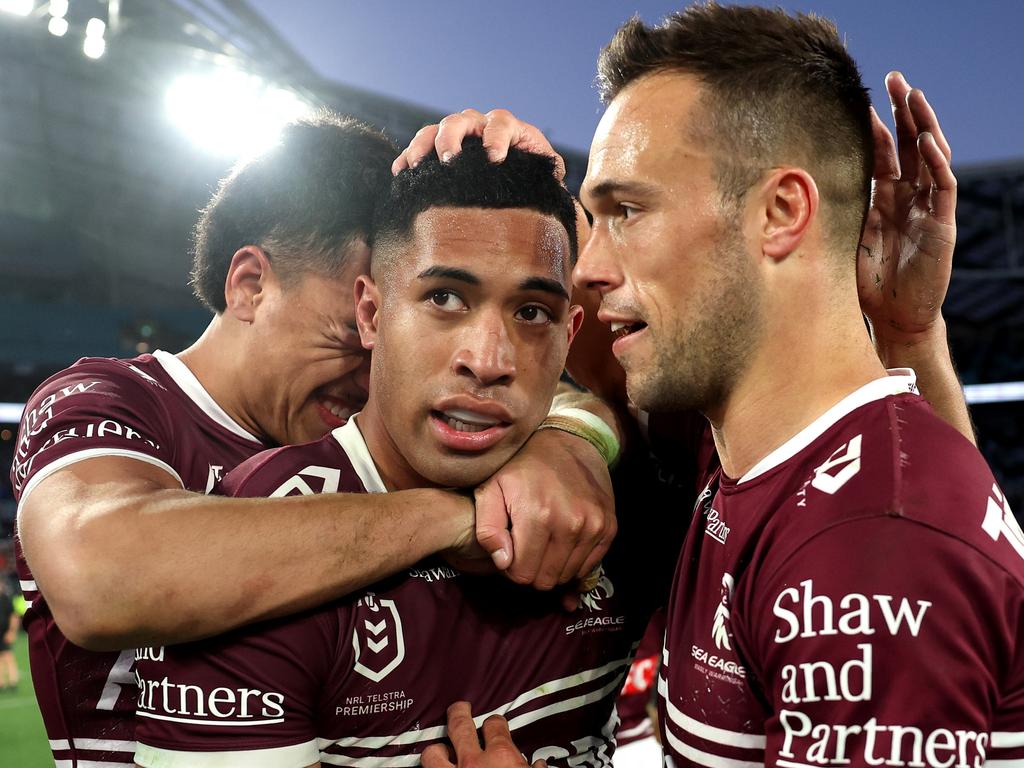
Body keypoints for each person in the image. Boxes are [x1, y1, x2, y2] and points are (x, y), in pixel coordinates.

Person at [420, 6, 1020, 768]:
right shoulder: (746, 440)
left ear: (780, 212)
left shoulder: (868, 552)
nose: (589, 267)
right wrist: (519, 188)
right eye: (595, 217)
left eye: (628, 210)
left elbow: (899, 523)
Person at [10, 115, 617, 767]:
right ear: (250, 284)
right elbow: (102, 577)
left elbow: (593, 373)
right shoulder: (110, 402)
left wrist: (571, 436)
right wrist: (452, 516)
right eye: (352, 333)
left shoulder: (426, 432)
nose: (375, 374)